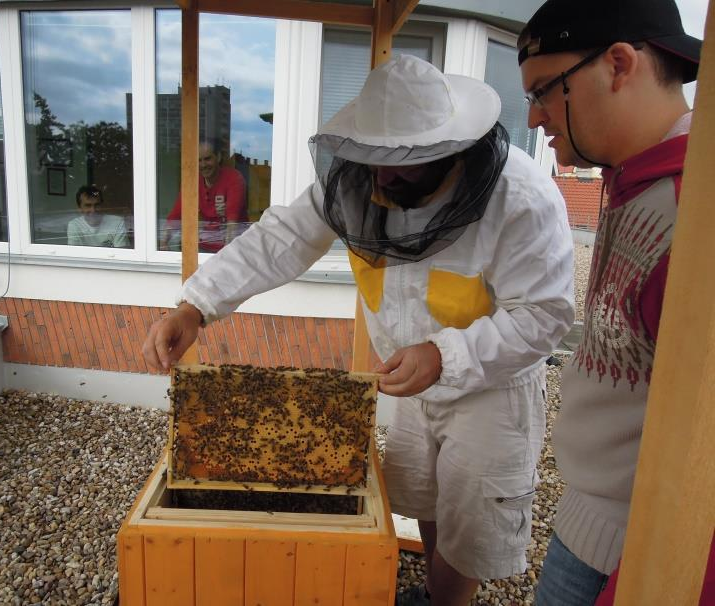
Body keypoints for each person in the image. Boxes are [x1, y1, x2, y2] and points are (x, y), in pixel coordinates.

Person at [143, 55, 575, 606]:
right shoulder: (356, 181)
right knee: (427, 499)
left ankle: (446, 601)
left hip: (492, 388)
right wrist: (194, 306)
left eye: (404, 165)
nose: (384, 178)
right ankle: (434, 594)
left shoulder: (522, 198)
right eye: (376, 161)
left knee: (471, 525)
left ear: (450, 152)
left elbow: (544, 315)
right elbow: (280, 239)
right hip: (413, 381)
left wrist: (445, 355)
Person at [517, 0, 702, 603]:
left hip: (634, 555)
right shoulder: (633, 181)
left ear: (619, 64)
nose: (534, 116)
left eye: (545, 90)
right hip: (591, 526)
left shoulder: (692, 216)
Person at [160, 141, 248, 253]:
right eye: (199, 160)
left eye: (207, 159)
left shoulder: (234, 179)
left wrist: (225, 257)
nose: (203, 165)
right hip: (204, 248)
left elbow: (232, 223)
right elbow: (176, 215)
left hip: (232, 249)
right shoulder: (192, 181)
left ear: (218, 157)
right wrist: (163, 243)